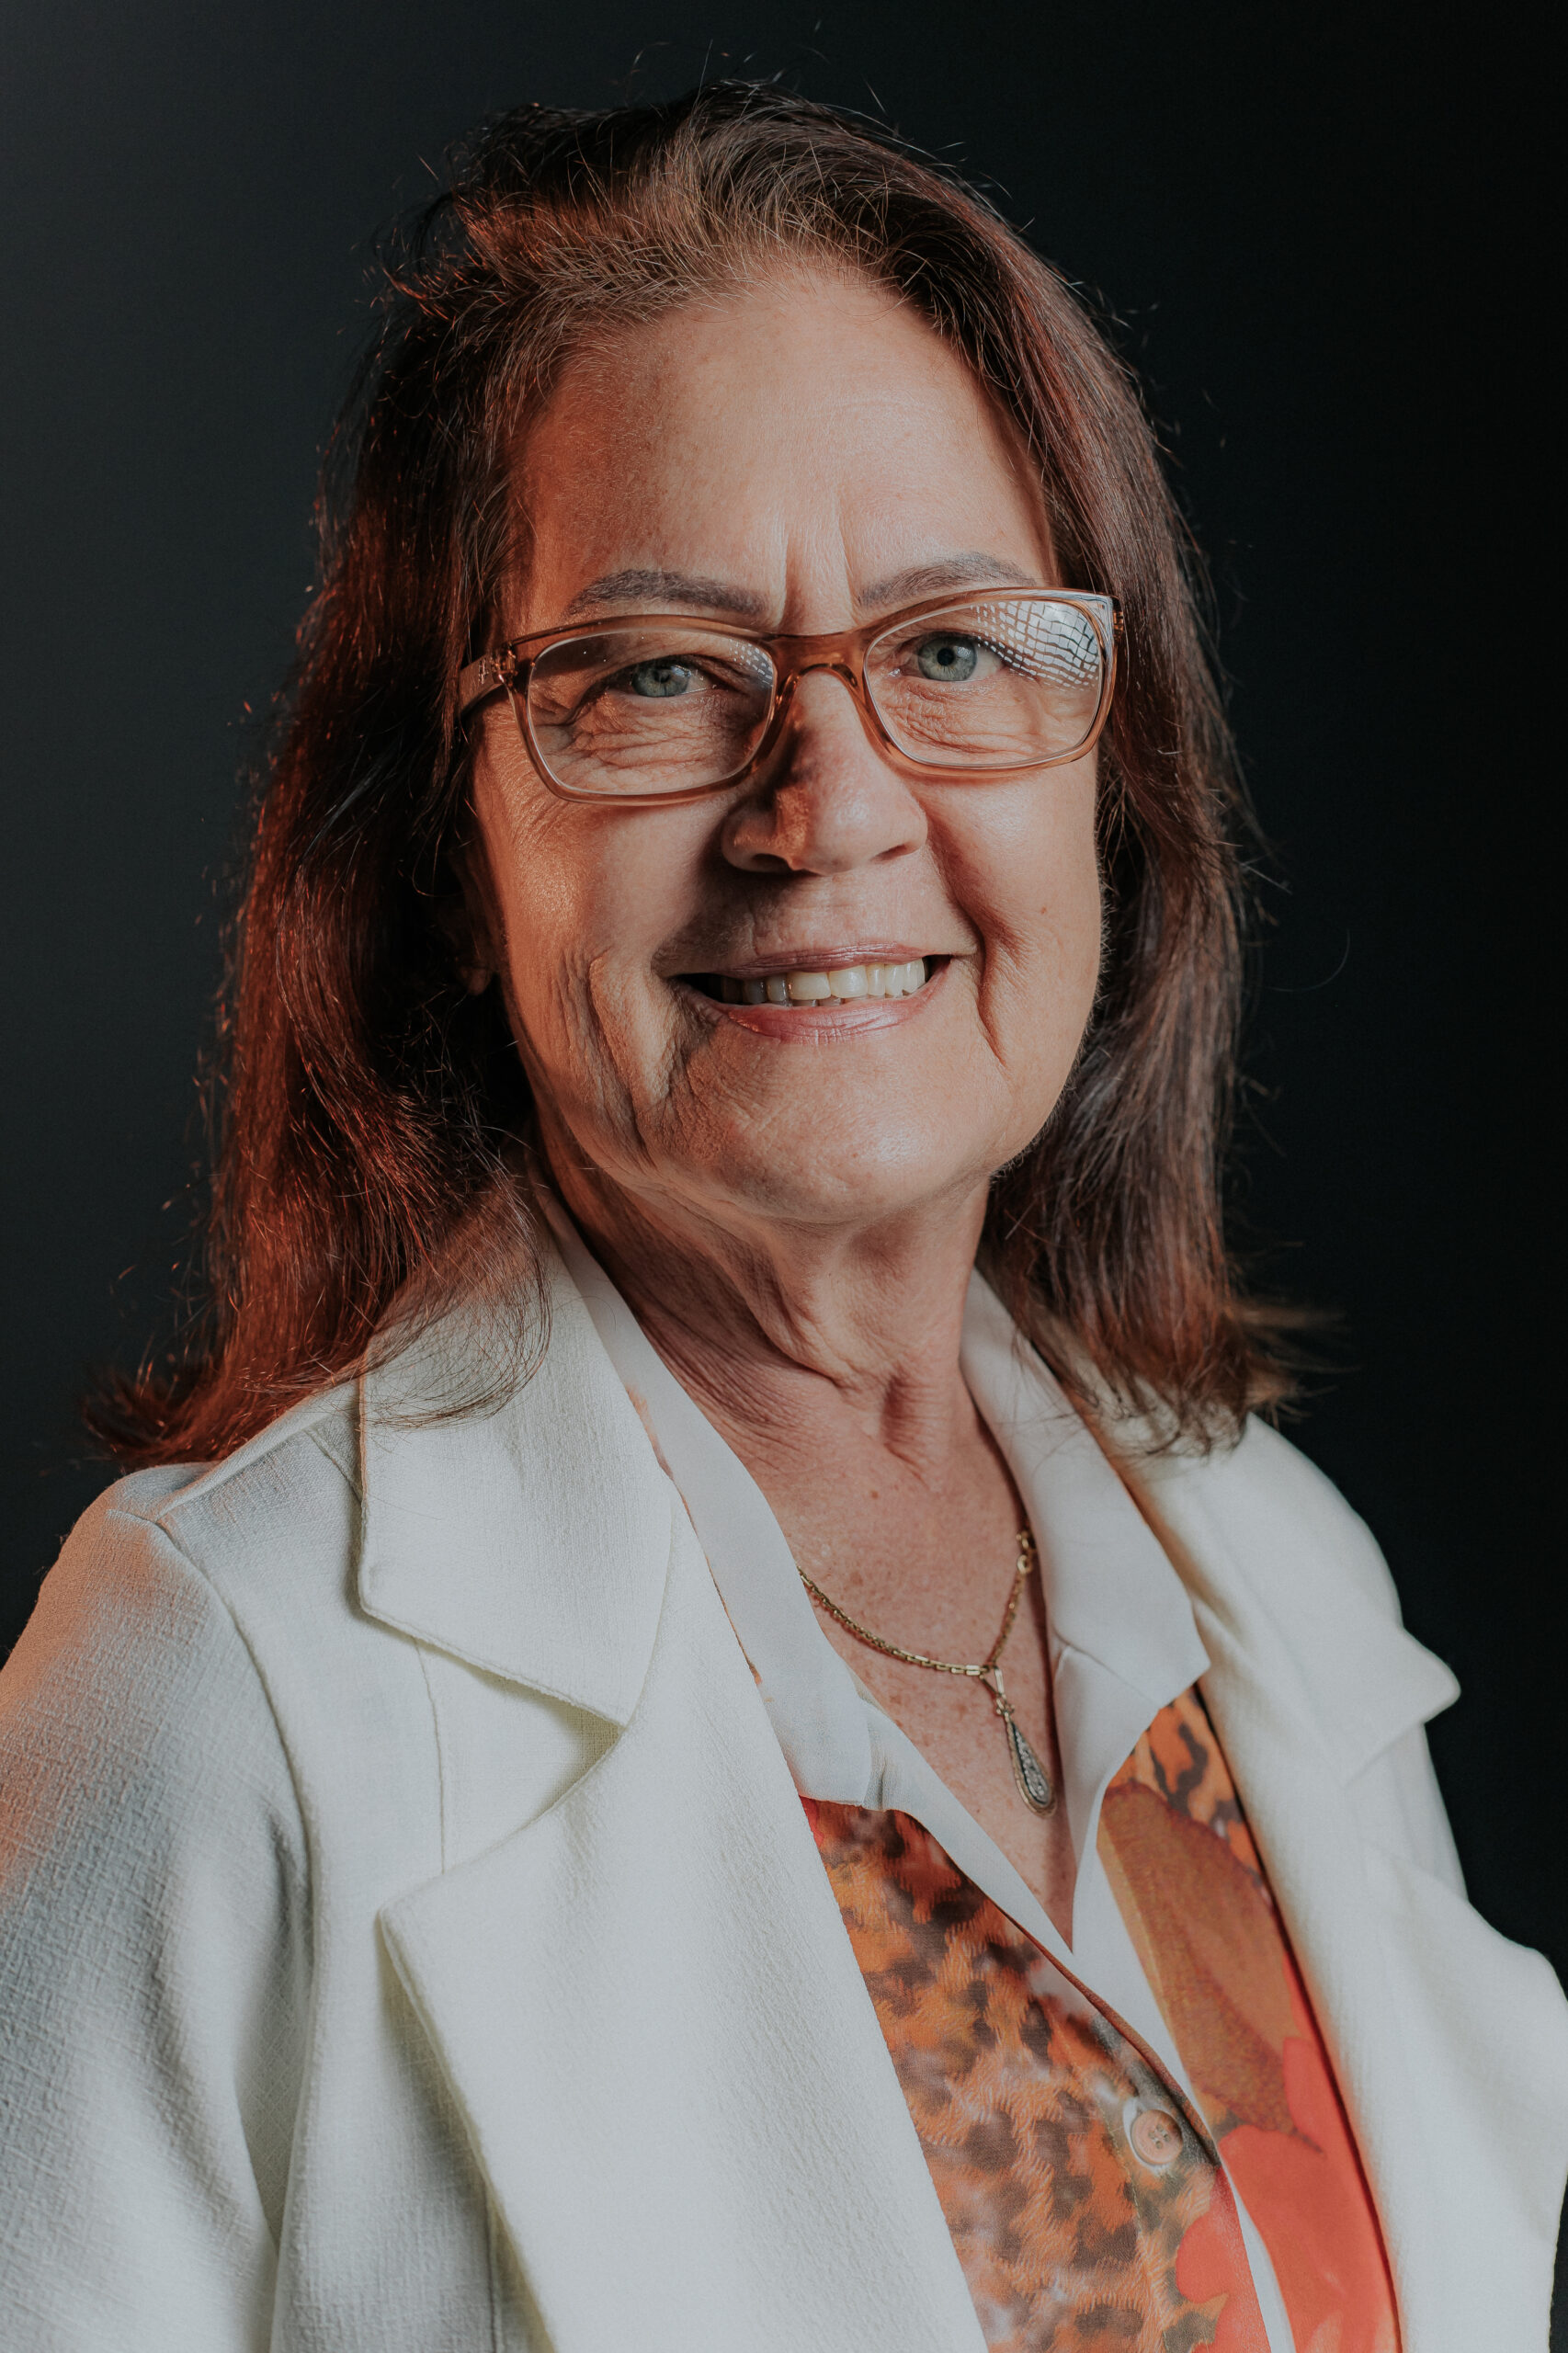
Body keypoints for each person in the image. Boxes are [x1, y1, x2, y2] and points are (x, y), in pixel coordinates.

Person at [0, 84, 1562, 2353]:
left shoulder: (1275, 1571)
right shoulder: (218, 1685)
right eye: (654, 675)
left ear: (1105, 775)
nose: (825, 809)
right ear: (446, 853)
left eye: (952, 650)